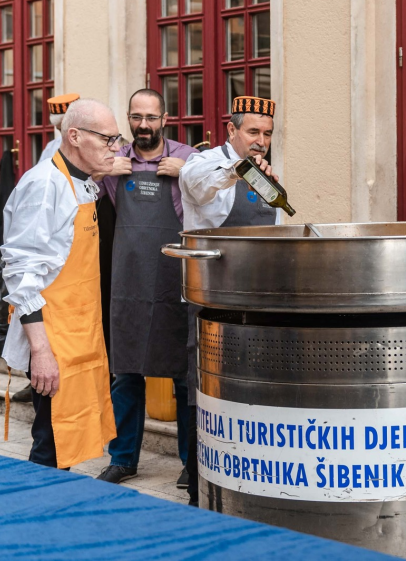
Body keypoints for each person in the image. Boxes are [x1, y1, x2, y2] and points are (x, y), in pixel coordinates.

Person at [1, 99, 121, 469]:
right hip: (52, 338)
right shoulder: (44, 185)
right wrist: (41, 351)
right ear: (74, 136)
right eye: (108, 139)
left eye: (117, 139)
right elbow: (21, 273)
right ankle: (39, 518)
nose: (116, 148)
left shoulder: (83, 184)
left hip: (81, 334)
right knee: (51, 442)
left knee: (70, 440)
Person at [178, 95, 281, 506]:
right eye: (253, 132)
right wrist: (240, 171)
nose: (261, 141)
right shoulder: (201, 164)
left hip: (255, 297)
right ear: (231, 131)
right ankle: (195, 473)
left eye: (268, 134)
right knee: (201, 382)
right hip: (211, 296)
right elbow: (202, 187)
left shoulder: (267, 173)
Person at [93, 89, 196, 488]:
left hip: (176, 282)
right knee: (126, 374)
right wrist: (103, 173)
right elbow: (77, 191)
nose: (143, 125)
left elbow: (224, 189)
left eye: (151, 117)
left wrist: (185, 174)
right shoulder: (113, 161)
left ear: (165, 118)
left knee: (183, 377)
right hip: (129, 283)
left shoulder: (189, 158)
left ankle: (191, 463)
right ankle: (122, 459)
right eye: (136, 117)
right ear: (129, 119)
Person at [39, 93, 80, 162]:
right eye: (60, 129)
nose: (63, 134)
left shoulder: (91, 142)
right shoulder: (51, 147)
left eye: (65, 129)